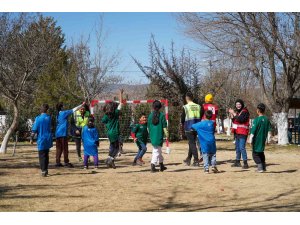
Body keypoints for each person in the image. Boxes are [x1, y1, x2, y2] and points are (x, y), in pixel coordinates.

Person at [55, 102, 85, 167]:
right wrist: (81, 105)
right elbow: (74, 109)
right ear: (61, 107)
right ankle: (66, 162)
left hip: (57, 134)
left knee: (58, 149)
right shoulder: (64, 113)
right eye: (63, 106)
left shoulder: (57, 115)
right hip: (63, 134)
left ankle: (57, 162)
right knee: (65, 148)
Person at [101, 89, 124, 169]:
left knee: (112, 147)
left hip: (109, 133)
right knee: (117, 148)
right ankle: (110, 159)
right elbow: (121, 103)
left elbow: (103, 121)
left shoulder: (106, 116)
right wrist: (120, 94)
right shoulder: (116, 113)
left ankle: (110, 161)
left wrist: (107, 124)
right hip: (115, 133)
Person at [30, 104, 53, 177]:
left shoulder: (38, 118)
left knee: (42, 155)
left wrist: (31, 138)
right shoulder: (49, 118)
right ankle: (46, 169)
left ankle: (43, 170)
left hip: (41, 139)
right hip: (48, 139)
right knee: (46, 155)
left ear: (41, 110)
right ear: (47, 110)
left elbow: (34, 130)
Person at [181, 92, 203, 167]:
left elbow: (182, 118)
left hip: (189, 126)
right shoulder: (198, 106)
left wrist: (182, 125)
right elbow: (201, 114)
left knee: (192, 143)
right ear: (192, 98)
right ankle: (188, 159)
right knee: (192, 142)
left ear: (186, 98)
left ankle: (196, 160)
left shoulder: (185, 107)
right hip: (197, 127)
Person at [248, 103, 272, 172]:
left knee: (255, 154)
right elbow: (269, 130)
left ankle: (260, 167)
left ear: (258, 110)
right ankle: (264, 167)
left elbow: (253, 131)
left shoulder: (256, 120)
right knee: (261, 152)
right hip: (263, 139)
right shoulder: (267, 119)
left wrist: (250, 140)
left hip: (257, 140)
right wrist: (268, 139)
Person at [228, 99, 250, 169]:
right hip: (237, 132)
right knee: (237, 148)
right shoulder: (238, 112)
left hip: (243, 132)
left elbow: (241, 120)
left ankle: (245, 163)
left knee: (242, 147)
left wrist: (234, 113)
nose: (238, 106)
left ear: (242, 104)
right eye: (237, 104)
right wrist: (232, 116)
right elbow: (236, 121)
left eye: (239, 104)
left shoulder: (245, 112)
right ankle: (237, 162)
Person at [148, 100, 169, 173]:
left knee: (158, 150)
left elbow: (148, 127)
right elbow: (164, 127)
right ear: (160, 107)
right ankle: (153, 165)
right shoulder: (162, 115)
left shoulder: (150, 116)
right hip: (159, 135)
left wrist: (150, 134)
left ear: (153, 107)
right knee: (156, 151)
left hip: (152, 135)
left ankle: (161, 164)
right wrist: (167, 135)